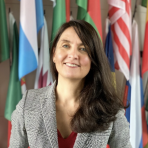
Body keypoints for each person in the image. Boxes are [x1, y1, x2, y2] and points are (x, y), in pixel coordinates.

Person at [9, 20, 132, 148]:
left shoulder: (109, 108)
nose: (73, 55)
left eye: (83, 48)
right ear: (54, 54)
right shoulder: (28, 103)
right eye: (66, 46)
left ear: (93, 60)